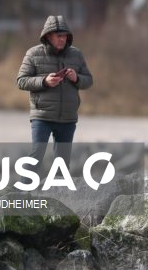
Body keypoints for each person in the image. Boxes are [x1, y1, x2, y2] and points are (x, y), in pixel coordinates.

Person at [16, 15, 93, 169]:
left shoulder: (76, 55)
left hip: (68, 118)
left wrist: (76, 78)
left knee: (62, 163)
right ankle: (22, 185)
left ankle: (59, 186)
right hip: (42, 116)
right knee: (36, 155)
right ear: (48, 36)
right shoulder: (33, 53)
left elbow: (89, 80)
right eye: (59, 36)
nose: (62, 39)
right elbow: (21, 81)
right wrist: (44, 81)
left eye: (65, 36)